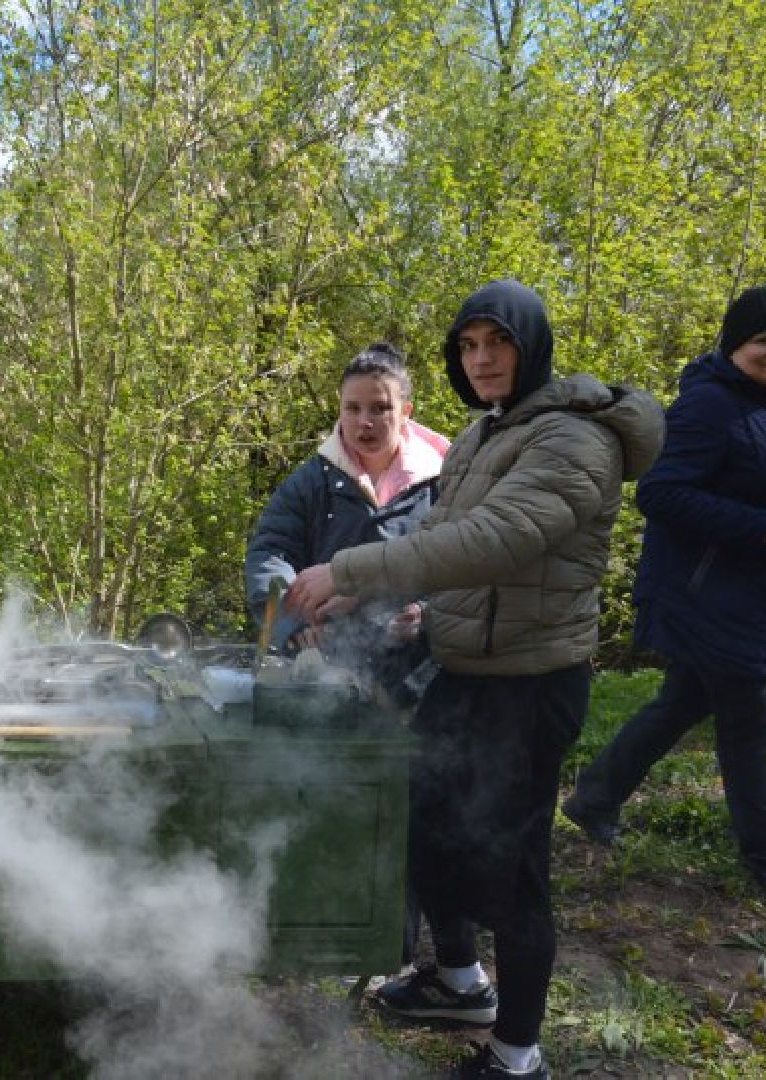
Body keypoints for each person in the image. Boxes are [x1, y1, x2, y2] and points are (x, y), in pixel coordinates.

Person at [285, 280, 664, 1080]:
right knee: (423, 823)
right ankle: (457, 983)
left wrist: (346, 564)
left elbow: (494, 542)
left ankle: (516, 1055)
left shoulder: (573, 441)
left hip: (528, 686)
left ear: (531, 347)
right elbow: (445, 543)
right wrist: (371, 592)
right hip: (464, 670)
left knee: (514, 869)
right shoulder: (488, 431)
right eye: (467, 345)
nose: (481, 359)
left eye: (497, 343)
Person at [563, 287, 766, 915]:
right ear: (735, 347)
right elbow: (662, 493)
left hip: (756, 589)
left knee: (685, 699)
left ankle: (594, 796)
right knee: (747, 713)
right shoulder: (707, 406)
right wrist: (761, 525)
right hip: (703, 591)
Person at [245, 341, 449, 664]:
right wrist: (295, 625)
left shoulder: (444, 481)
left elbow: (466, 567)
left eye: (379, 408)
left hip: (422, 674)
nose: (364, 421)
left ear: (405, 412)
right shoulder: (310, 482)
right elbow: (269, 556)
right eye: (352, 408)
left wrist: (428, 613)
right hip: (324, 670)